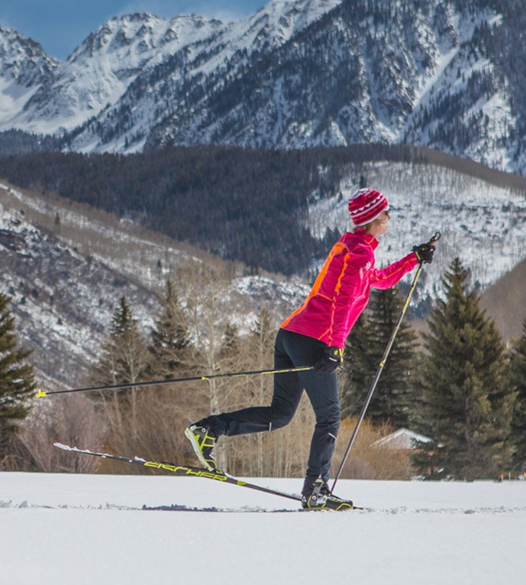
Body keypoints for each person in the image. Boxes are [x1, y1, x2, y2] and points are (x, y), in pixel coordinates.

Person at [185, 187, 435, 509]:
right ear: (372, 219)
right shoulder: (359, 252)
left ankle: (209, 429)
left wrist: (412, 260)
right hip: (315, 340)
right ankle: (316, 490)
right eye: (384, 213)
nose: (388, 218)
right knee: (330, 417)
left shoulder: (350, 247)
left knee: (279, 414)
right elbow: (344, 301)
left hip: (291, 334)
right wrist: (335, 347)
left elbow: (379, 280)